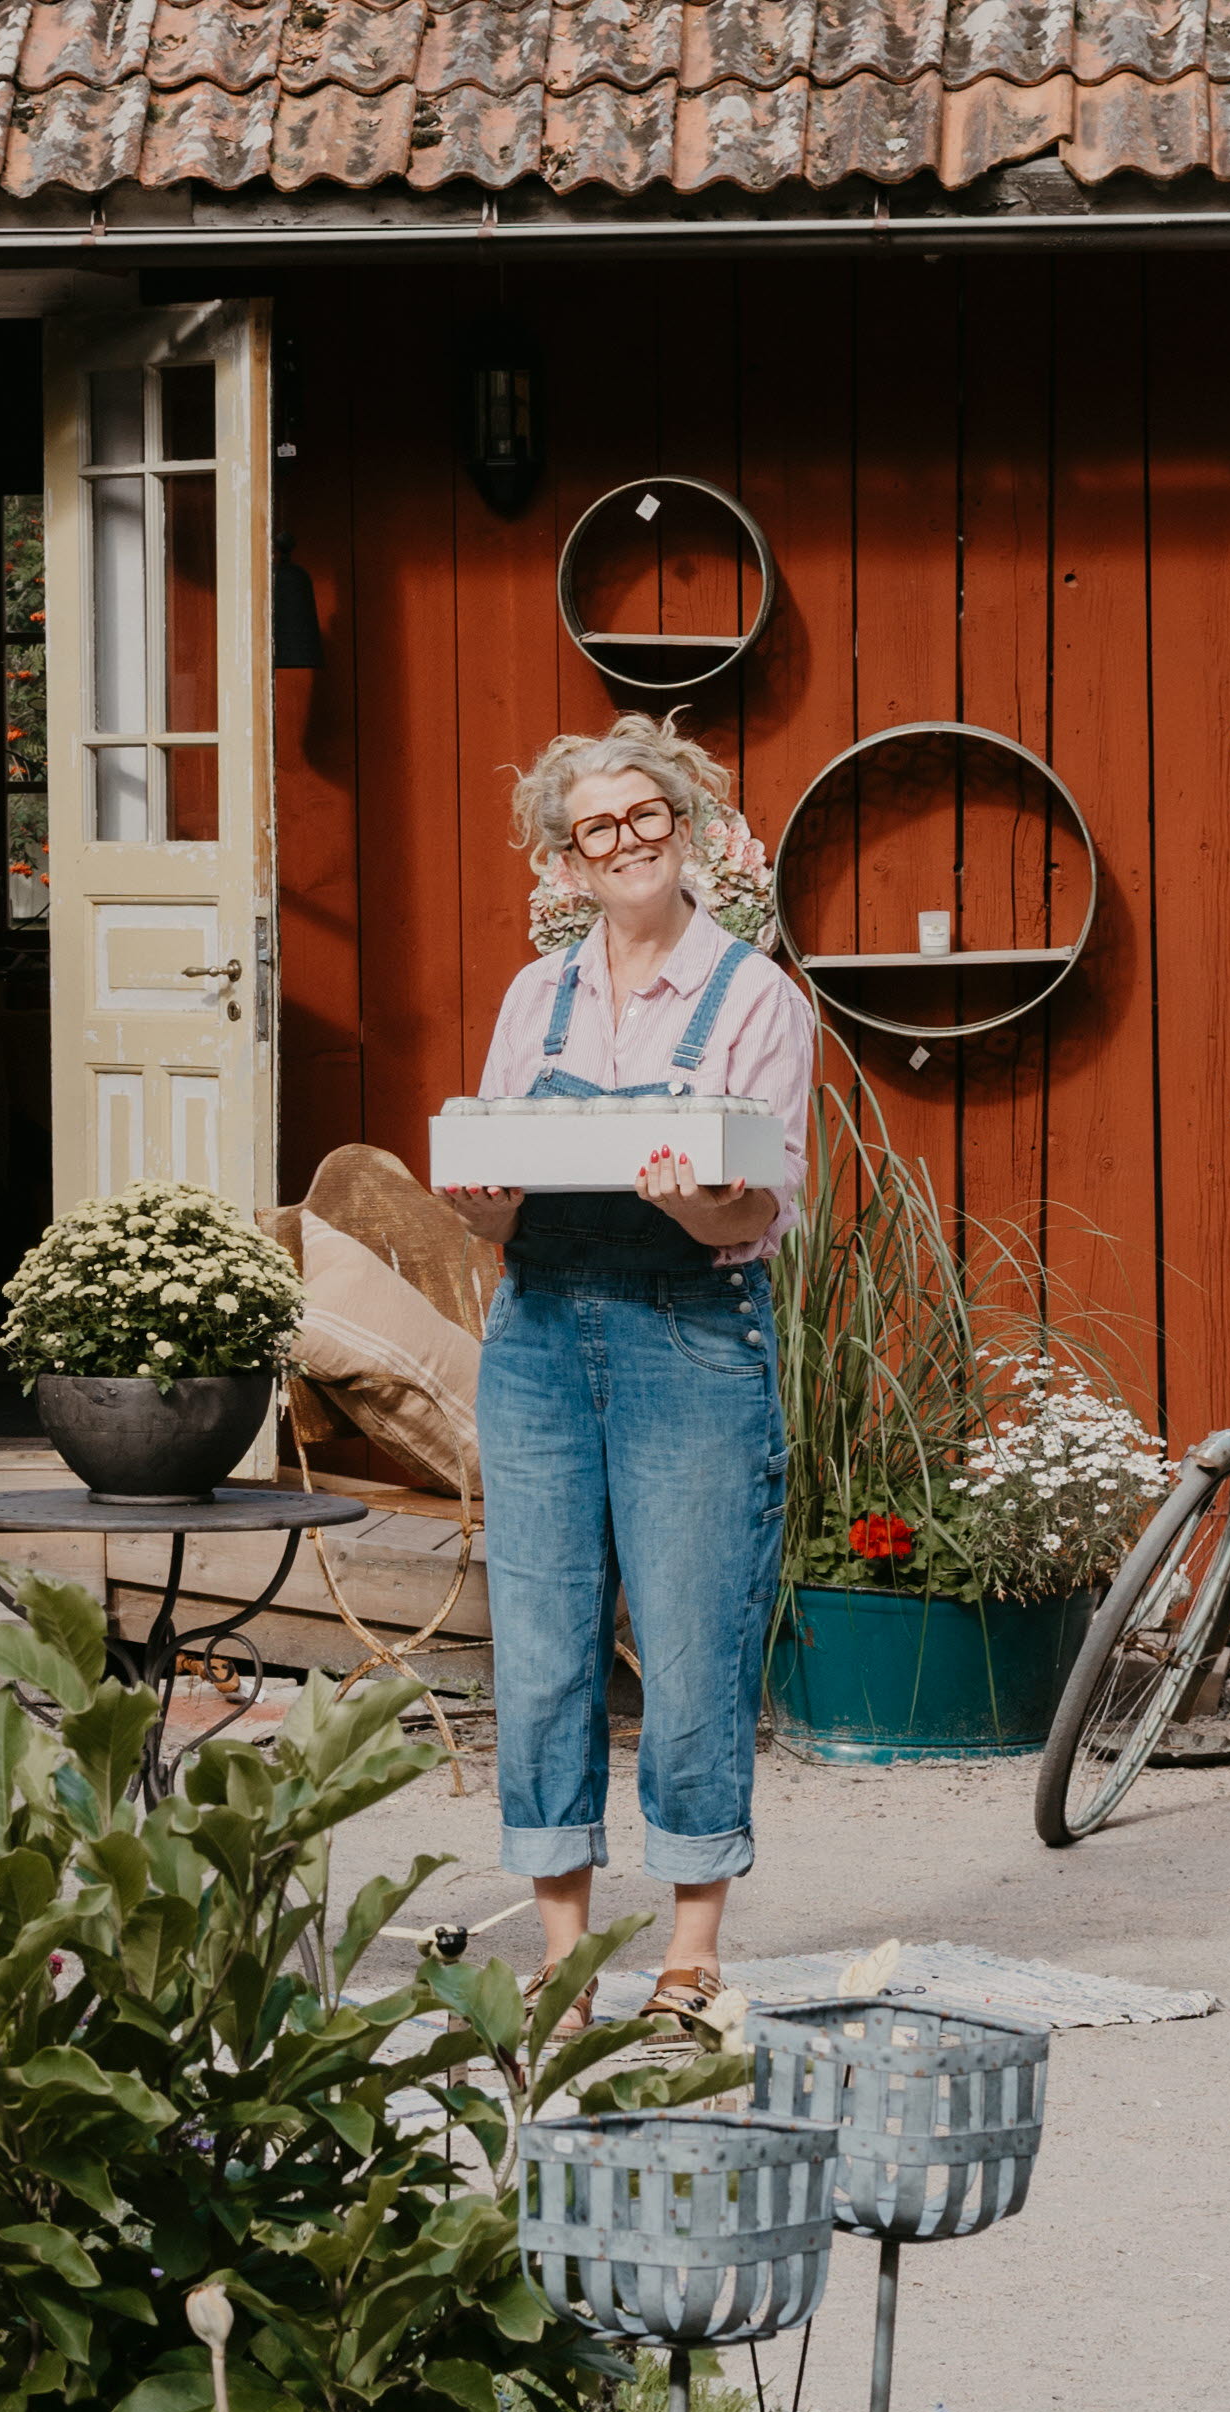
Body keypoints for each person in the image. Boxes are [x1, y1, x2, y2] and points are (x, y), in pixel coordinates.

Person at [442, 712, 817, 2039]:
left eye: (643, 818)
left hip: (690, 1335)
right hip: (538, 1336)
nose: (623, 845)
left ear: (689, 827)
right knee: (541, 1649)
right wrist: (484, 1202)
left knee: (691, 1638)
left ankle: (692, 1947)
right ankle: (562, 1946)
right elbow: (488, 1208)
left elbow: (753, 1216)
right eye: (593, 829)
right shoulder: (530, 1001)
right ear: (563, 858)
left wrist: (694, 1205)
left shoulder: (756, 997)